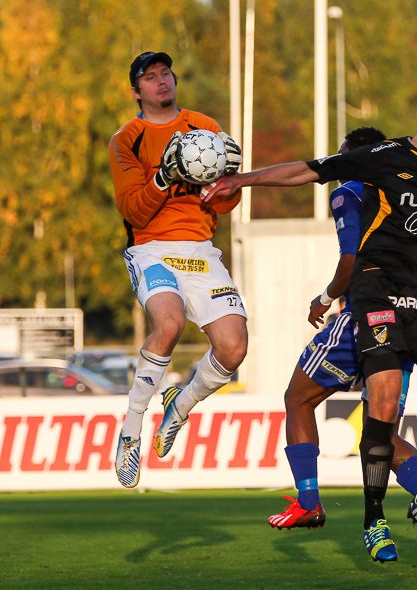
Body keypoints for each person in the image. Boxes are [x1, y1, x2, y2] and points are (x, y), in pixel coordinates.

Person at [203, 82, 417, 562]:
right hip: (375, 293)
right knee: (382, 404)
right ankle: (374, 521)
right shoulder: (382, 156)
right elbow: (310, 170)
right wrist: (241, 181)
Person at [266, 127, 417, 555]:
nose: (338, 167)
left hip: (364, 317)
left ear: (357, 156)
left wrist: (325, 296)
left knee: (297, 398)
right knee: (380, 433)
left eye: (342, 157)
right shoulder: (410, 188)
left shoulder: (351, 190)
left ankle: (309, 503)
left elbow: (351, 260)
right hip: (410, 321)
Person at [108, 52, 246, 488]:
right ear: (137, 91)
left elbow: (229, 202)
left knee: (234, 347)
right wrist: (164, 178)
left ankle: (178, 408)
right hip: (151, 248)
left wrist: (225, 182)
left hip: (201, 250)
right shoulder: (126, 139)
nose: (161, 81)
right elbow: (133, 211)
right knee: (167, 323)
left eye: (165, 73)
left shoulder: (203, 125)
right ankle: (131, 427)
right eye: (150, 78)